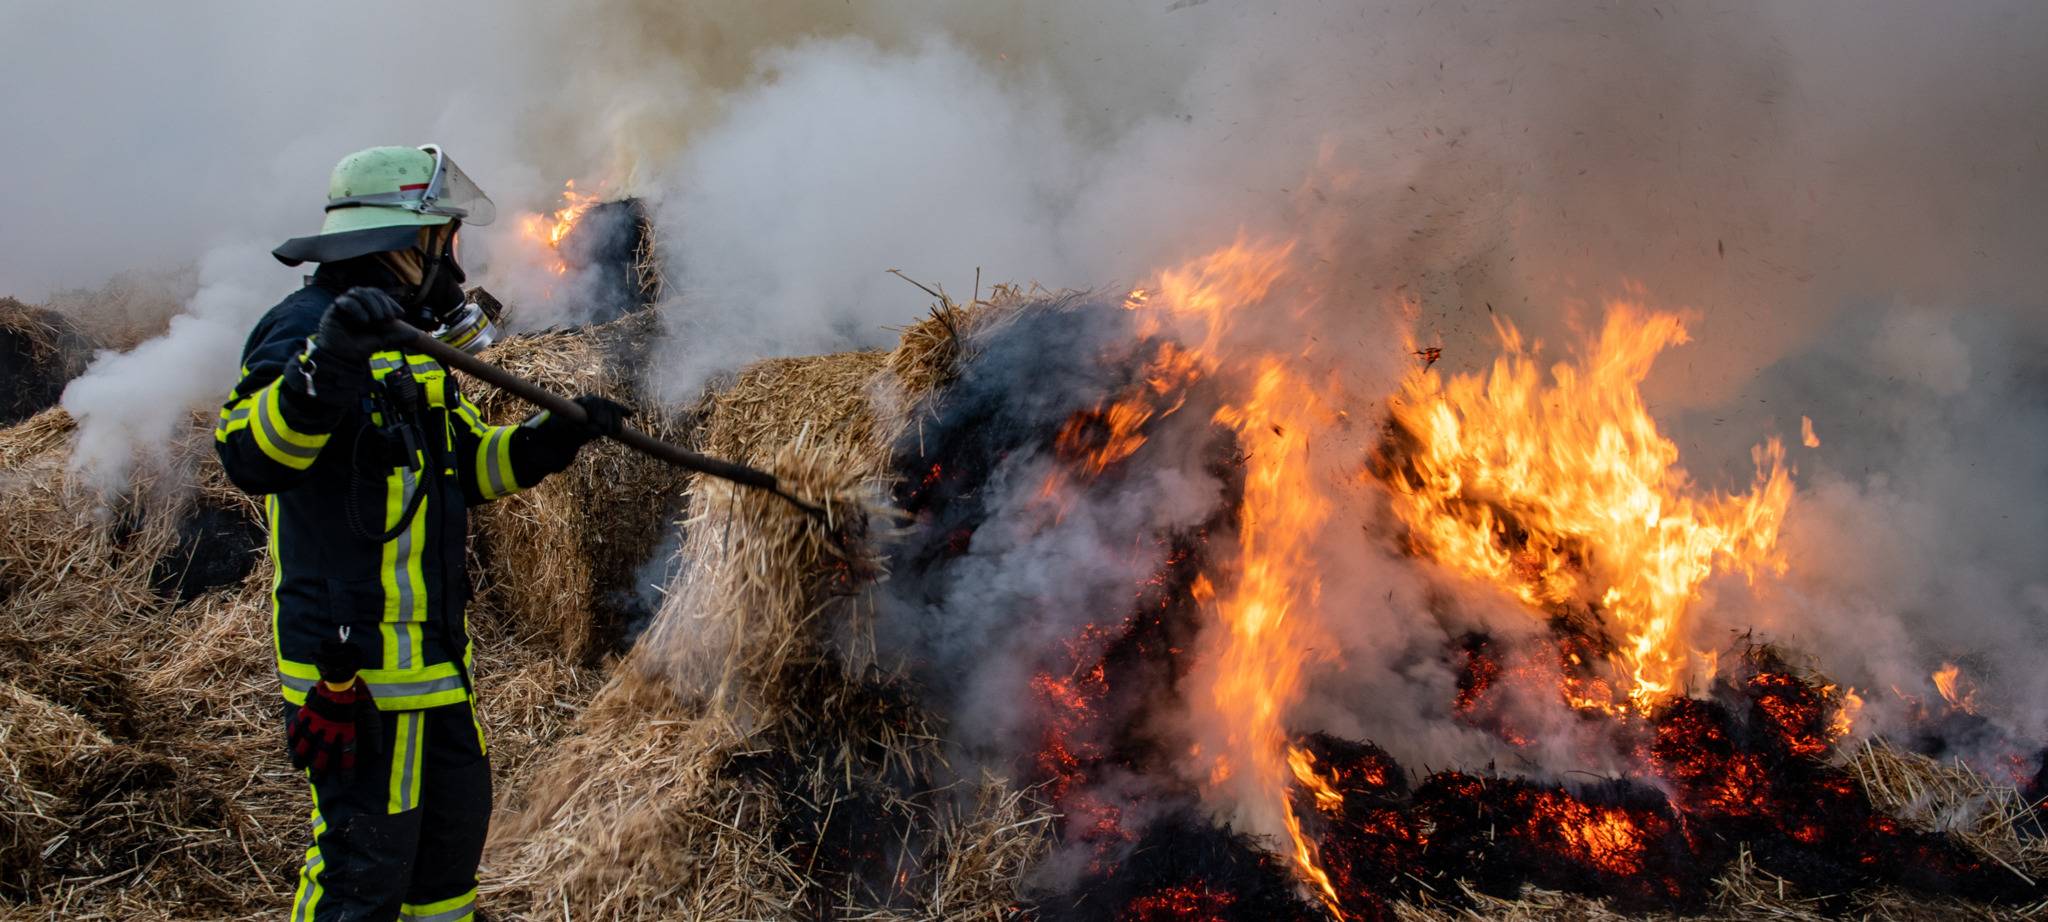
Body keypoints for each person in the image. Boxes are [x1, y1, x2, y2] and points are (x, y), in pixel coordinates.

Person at [213, 144, 627, 922]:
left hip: (436, 671)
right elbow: (252, 455)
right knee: (360, 879)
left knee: (444, 878)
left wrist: (550, 440)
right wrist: (328, 363)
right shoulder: (303, 328)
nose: (455, 269)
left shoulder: (410, 343)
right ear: (404, 244)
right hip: (357, 679)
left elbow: (463, 468)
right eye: (445, 242)